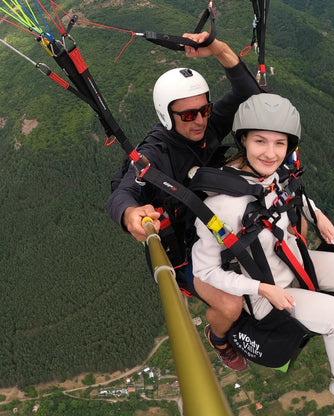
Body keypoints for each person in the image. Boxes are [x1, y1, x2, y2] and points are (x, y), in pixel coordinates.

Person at [191, 93, 334, 416]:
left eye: (280, 144)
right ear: (243, 141)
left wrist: (316, 214)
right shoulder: (219, 206)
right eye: (260, 141)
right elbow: (205, 272)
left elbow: (292, 195)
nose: (270, 152)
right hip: (268, 293)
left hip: (296, 262)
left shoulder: (274, 174)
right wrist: (261, 289)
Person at [106, 31, 263, 371]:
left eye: (204, 110)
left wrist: (219, 49)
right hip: (187, 248)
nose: (201, 120)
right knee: (231, 307)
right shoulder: (155, 153)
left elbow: (249, 95)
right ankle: (219, 340)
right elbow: (122, 193)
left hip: (219, 225)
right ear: (168, 116)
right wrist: (131, 214)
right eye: (188, 115)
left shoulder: (204, 126)